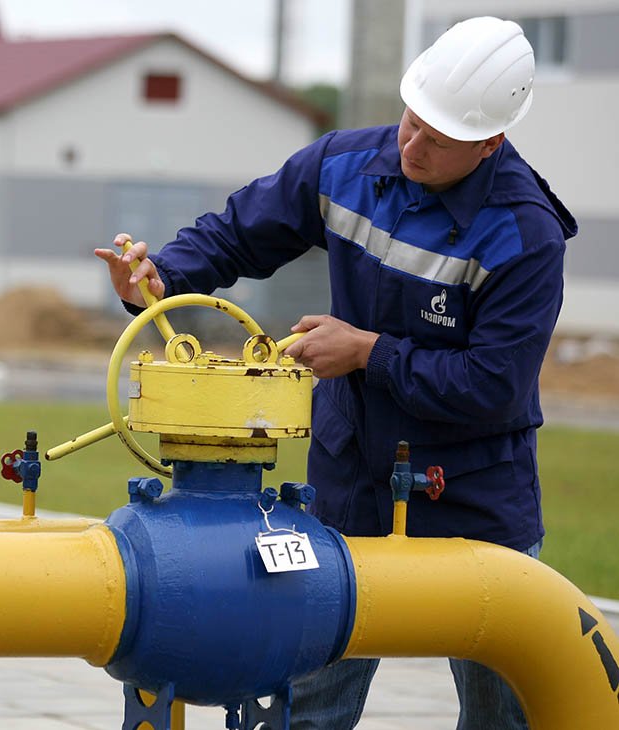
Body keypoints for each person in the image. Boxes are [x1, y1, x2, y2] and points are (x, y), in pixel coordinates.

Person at [95, 16, 576, 730]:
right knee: (310, 703)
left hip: (474, 498)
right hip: (349, 482)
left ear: (491, 142)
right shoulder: (344, 166)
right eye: (411, 121)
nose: (411, 147)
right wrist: (161, 276)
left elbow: (493, 385)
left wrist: (367, 352)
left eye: (438, 140)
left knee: (504, 713)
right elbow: (240, 231)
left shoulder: (525, 234)